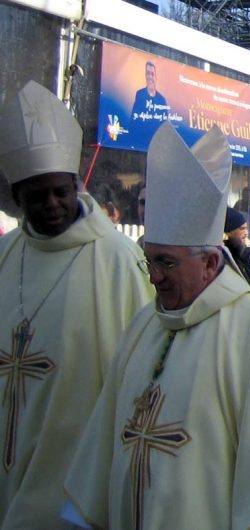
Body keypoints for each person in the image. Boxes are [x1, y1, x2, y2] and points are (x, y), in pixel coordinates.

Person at [63, 122, 250, 529]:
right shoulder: (146, 324)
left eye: (167, 263)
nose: (154, 277)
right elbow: (102, 446)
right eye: (150, 260)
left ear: (211, 262)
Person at [0, 81, 153, 529]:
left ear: (74, 184)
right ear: (16, 198)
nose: (51, 204)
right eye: (36, 194)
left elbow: (140, 370)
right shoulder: (7, 256)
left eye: (60, 191)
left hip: (75, 477)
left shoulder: (118, 262)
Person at [223, 207, 250, 297]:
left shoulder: (242, 255)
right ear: (228, 232)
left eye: (247, 229)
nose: (246, 233)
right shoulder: (225, 259)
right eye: (242, 229)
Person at [128, 61, 169, 142]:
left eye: (152, 74)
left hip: (156, 143)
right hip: (140, 141)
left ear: (156, 77)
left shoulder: (162, 100)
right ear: (145, 76)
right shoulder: (140, 94)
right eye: (148, 73)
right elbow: (133, 121)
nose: (150, 76)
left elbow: (166, 126)